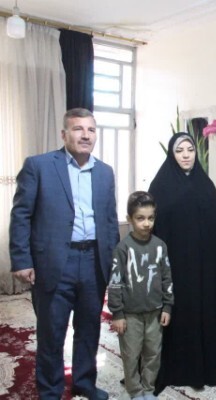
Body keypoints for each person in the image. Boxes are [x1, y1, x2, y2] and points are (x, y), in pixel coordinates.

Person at [9, 108, 119, 400]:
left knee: (89, 329)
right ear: (64, 134)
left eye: (91, 130)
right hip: (55, 262)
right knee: (52, 332)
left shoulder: (105, 172)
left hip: (93, 262)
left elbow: (109, 220)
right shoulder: (39, 166)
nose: (85, 135)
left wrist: (113, 260)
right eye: (78, 129)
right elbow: (21, 215)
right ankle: (50, 391)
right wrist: (21, 260)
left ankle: (84, 382)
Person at [149, 132, 216, 393]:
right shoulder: (160, 186)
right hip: (175, 267)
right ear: (171, 154)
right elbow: (153, 229)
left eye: (190, 150)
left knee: (202, 309)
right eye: (179, 150)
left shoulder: (206, 186)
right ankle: (178, 366)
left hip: (204, 267)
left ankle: (205, 365)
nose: (186, 155)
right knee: (178, 313)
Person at [108, 191, 174, 400]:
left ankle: (148, 389)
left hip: (155, 312)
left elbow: (167, 278)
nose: (146, 223)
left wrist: (167, 306)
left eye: (150, 218)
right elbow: (115, 282)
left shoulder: (160, 246)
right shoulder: (123, 248)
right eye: (140, 218)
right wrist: (117, 313)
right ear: (129, 219)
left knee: (153, 353)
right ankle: (135, 391)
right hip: (130, 315)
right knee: (131, 355)